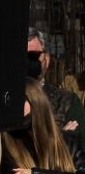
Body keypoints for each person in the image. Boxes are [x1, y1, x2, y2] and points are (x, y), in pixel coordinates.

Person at [1, 78, 85, 174]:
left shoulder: (69, 141)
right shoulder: (8, 144)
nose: (14, 107)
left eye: (20, 100)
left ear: (36, 102)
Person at [27, 29, 84, 159]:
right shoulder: (6, 100)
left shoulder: (67, 102)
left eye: (33, 56)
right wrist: (60, 138)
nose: (27, 62)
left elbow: (79, 152)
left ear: (46, 59)